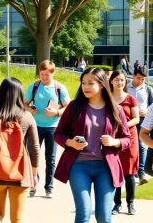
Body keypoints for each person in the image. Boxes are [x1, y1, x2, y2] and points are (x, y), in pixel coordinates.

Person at [54, 67, 131, 223]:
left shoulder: (116, 109)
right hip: (79, 166)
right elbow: (58, 134)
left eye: (90, 83)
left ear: (102, 84)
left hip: (106, 167)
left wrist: (114, 141)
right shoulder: (74, 106)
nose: (86, 87)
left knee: (103, 216)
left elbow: (127, 139)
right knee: (83, 212)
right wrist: (70, 142)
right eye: (83, 83)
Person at [0, 77, 40, 223]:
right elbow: (35, 148)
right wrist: (34, 173)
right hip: (21, 173)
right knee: (17, 218)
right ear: (20, 94)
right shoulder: (27, 116)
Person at [24, 60, 70, 198]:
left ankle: (49, 187)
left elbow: (67, 107)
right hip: (34, 126)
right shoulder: (33, 86)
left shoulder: (60, 88)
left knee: (50, 158)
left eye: (46, 75)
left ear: (53, 73)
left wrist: (56, 113)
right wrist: (29, 110)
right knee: (32, 156)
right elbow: (23, 104)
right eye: (41, 74)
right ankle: (33, 183)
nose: (43, 77)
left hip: (53, 128)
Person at [109, 70, 139, 215]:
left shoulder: (130, 98)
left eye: (122, 80)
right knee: (116, 171)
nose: (120, 83)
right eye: (116, 80)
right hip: (114, 138)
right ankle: (117, 204)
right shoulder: (107, 99)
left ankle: (130, 203)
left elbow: (136, 118)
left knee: (129, 173)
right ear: (111, 81)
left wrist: (123, 125)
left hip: (130, 138)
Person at [127, 66, 153, 185]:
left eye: (143, 79)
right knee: (129, 146)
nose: (140, 81)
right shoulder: (126, 88)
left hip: (143, 121)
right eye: (138, 78)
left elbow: (151, 106)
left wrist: (146, 112)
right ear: (134, 75)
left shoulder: (148, 89)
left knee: (142, 146)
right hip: (129, 121)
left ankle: (141, 172)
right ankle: (130, 171)